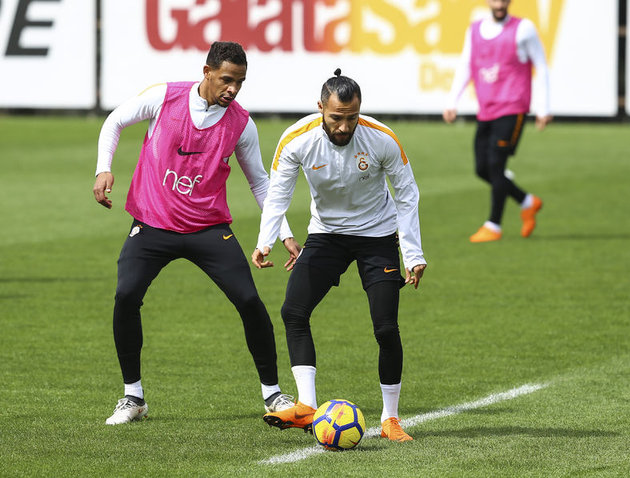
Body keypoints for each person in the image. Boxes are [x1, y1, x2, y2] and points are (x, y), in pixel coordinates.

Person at [93, 41, 300, 425]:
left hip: (208, 228)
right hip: (152, 223)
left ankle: (273, 394)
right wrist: (103, 168)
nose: (233, 89)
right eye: (226, 79)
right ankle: (133, 397)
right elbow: (115, 121)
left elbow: (260, 182)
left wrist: (283, 233)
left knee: (249, 301)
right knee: (126, 295)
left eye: (240, 82)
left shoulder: (241, 123)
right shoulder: (164, 97)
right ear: (207, 72)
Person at [251, 69, 427, 442]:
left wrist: (413, 254)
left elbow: (407, 193)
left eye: (352, 117)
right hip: (327, 235)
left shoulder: (382, 139)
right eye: (336, 118)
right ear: (320, 108)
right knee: (293, 311)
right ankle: (306, 406)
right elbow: (278, 193)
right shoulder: (297, 139)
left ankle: (390, 419)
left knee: (385, 327)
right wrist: (267, 240)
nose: (345, 126)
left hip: (377, 235)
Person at [443, 0, 552, 243]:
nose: (500, 4)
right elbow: (466, 65)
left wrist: (543, 108)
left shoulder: (523, 29)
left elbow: (541, 65)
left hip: (513, 107)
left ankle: (493, 225)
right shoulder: (474, 30)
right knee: (482, 168)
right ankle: (527, 201)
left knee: (496, 165)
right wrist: (452, 101)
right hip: (486, 109)